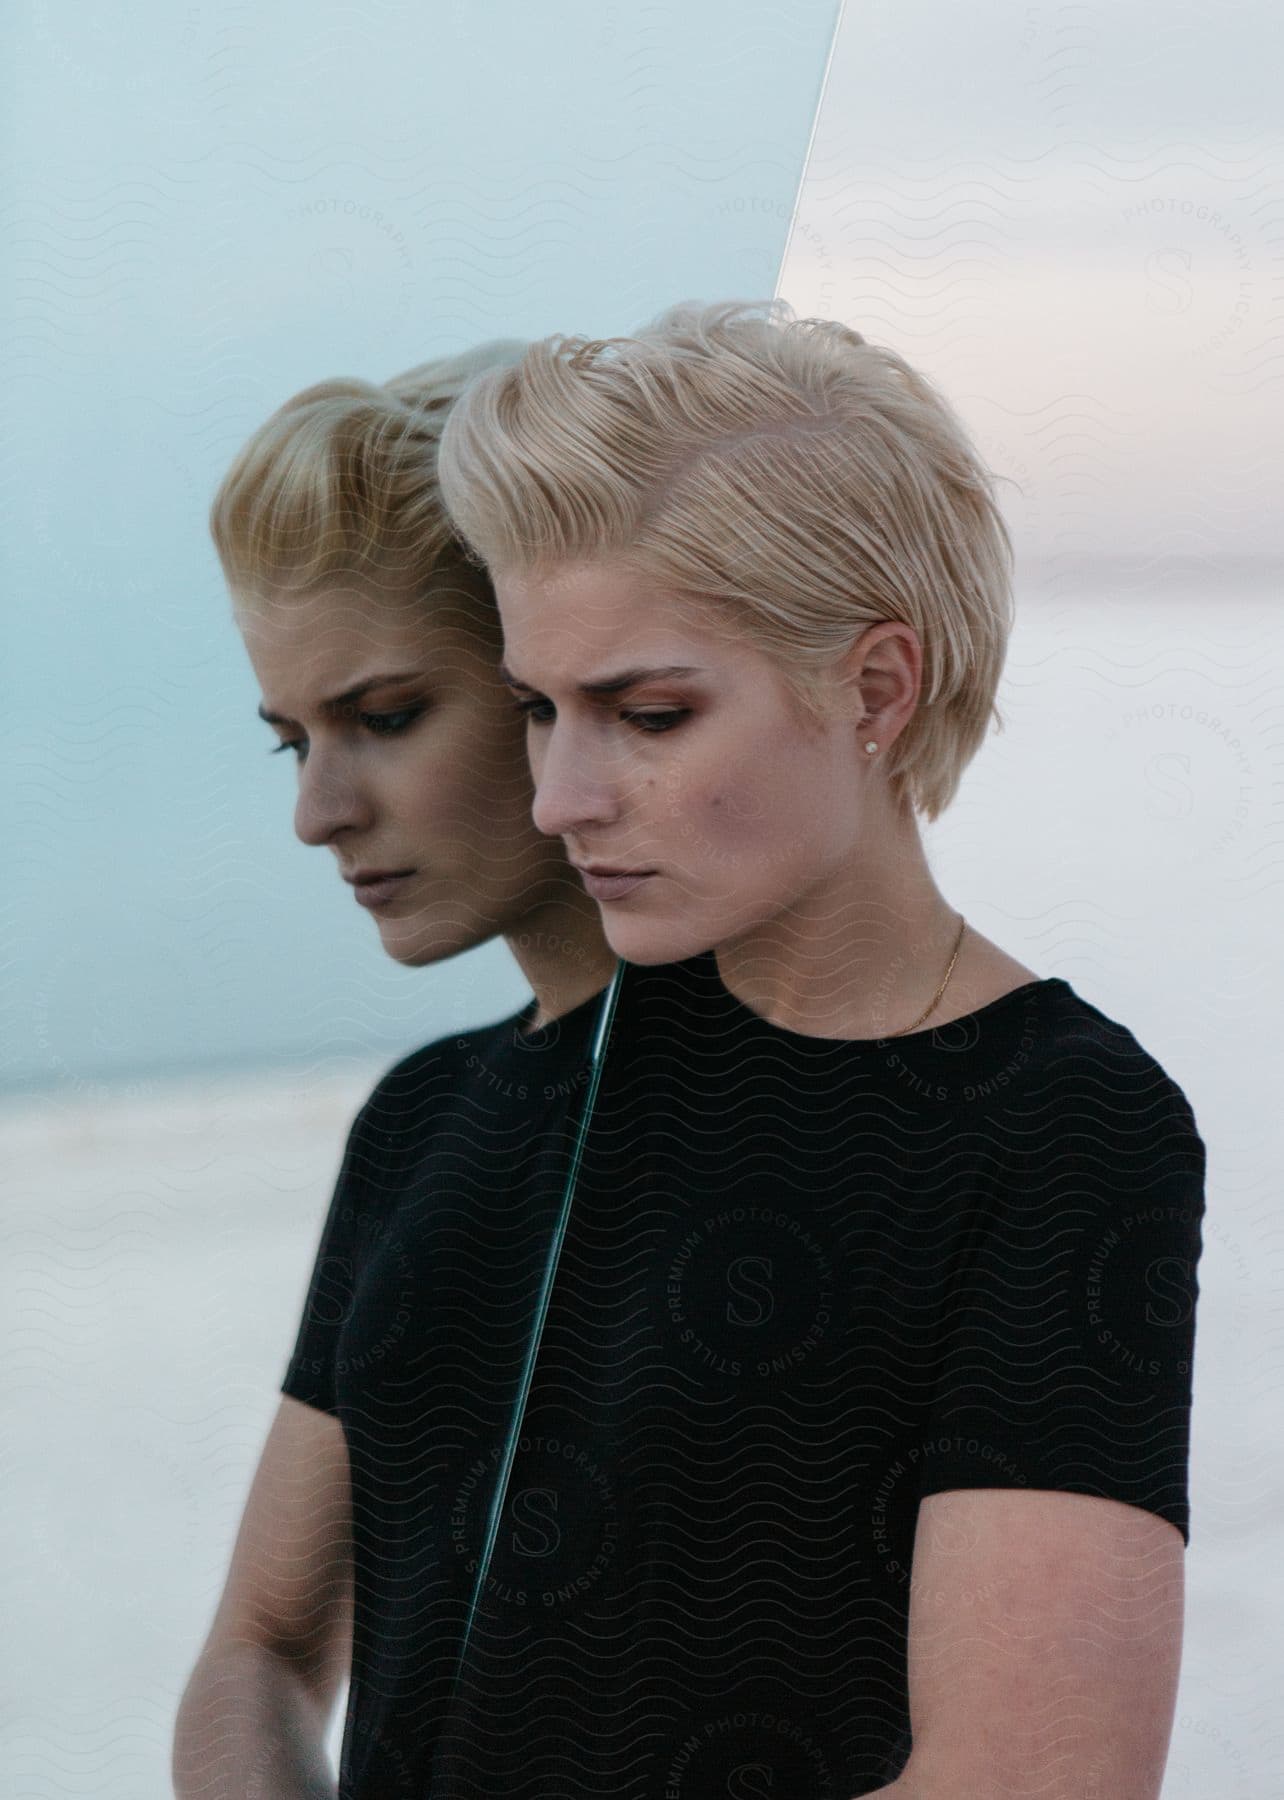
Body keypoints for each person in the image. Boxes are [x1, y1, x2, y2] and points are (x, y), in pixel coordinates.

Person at [421, 299, 1209, 1798]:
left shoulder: (1062, 1127)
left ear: (875, 690)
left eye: (646, 713)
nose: (558, 797)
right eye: (536, 709)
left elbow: (1037, 1780)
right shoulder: (531, 1073)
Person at [171, 348, 618, 1800]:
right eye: (292, 741)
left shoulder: (877, 1094)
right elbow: (261, 1646)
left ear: (555, 679)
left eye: (384, 715)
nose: (316, 811)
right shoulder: (426, 1124)